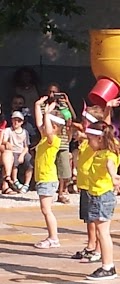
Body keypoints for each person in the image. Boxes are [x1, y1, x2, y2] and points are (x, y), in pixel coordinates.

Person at [84, 121, 120, 280]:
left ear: (100, 139)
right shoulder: (100, 151)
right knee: (100, 231)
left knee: (103, 232)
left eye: (90, 139)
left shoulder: (109, 154)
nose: (88, 142)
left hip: (103, 196)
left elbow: (110, 165)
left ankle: (108, 266)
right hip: (95, 195)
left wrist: (114, 176)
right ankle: (107, 265)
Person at [70, 105, 110, 263]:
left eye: (85, 120)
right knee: (88, 219)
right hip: (85, 183)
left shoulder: (95, 139)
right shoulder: (86, 138)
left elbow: (105, 127)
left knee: (95, 220)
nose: (83, 122)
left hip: (92, 184)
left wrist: (107, 109)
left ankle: (97, 249)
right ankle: (91, 245)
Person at [32, 96, 65, 249]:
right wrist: (38, 106)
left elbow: (45, 125)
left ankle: (53, 238)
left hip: (48, 178)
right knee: (45, 210)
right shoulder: (44, 138)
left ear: (55, 127)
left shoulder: (54, 139)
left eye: (49, 125)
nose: (44, 127)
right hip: (43, 178)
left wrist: (47, 113)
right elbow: (40, 123)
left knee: (47, 210)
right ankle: (52, 237)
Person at [1, 111, 33, 193]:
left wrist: (22, 155)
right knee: (14, 163)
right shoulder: (8, 130)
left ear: (22, 122)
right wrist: (6, 142)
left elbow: (26, 146)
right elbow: (4, 140)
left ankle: (27, 184)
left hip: (22, 151)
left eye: (19, 121)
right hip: (13, 151)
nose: (16, 122)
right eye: (14, 120)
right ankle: (15, 180)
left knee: (30, 164)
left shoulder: (25, 132)